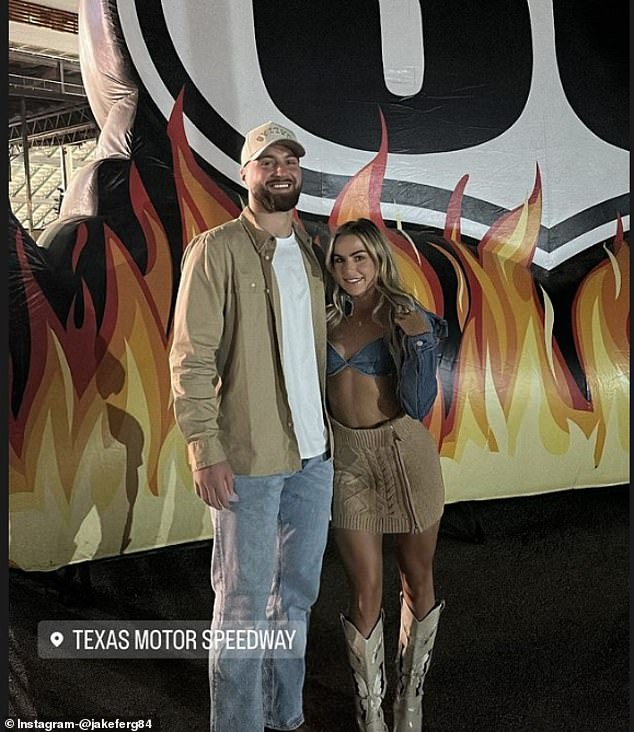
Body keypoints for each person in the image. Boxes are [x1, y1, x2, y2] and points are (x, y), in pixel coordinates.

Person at [169, 121, 333, 732]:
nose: (281, 170)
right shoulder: (215, 250)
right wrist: (203, 448)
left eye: (289, 160)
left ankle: (283, 718)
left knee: (295, 600)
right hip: (247, 462)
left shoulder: (315, 252)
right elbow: (191, 357)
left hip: (315, 461)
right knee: (241, 606)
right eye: (267, 162)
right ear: (245, 174)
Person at [324, 218, 447, 732]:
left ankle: (409, 701)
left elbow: (418, 404)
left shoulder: (405, 313)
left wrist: (419, 342)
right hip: (347, 460)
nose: (350, 269)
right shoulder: (324, 316)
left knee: (416, 579)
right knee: (365, 589)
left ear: (378, 260)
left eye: (360, 258)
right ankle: (370, 710)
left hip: (404, 455)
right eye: (340, 259)